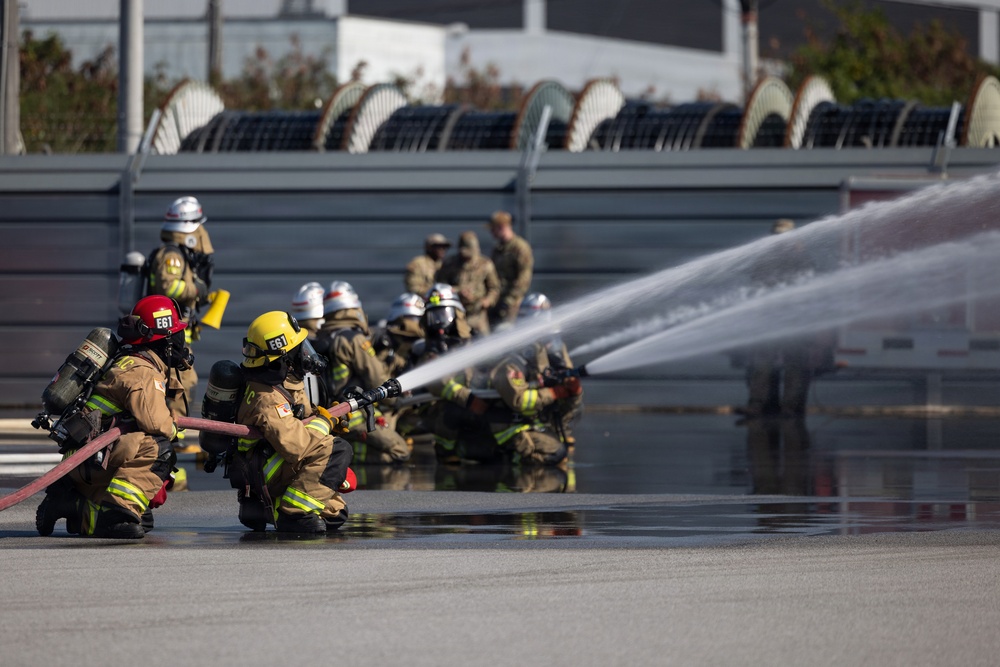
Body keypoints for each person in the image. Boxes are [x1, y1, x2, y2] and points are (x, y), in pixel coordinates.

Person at [36, 295, 191, 539]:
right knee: (159, 450)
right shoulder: (143, 372)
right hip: (91, 458)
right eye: (178, 333)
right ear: (166, 340)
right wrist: (173, 428)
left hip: (88, 457)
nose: (183, 342)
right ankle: (113, 515)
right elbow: (157, 424)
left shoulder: (128, 361)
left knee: (140, 520)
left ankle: (73, 505)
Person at [233, 311, 353, 533]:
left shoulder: (280, 382)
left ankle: (265, 510)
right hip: (263, 471)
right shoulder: (267, 397)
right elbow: (297, 445)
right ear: (282, 356)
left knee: (336, 514)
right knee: (337, 450)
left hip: (270, 462)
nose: (305, 353)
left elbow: (303, 419)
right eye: (298, 349)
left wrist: (328, 417)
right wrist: (325, 423)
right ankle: (293, 514)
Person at [313, 281, 411, 464]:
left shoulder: (322, 337)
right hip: (353, 412)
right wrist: (396, 400)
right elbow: (376, 378)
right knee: (400, 449)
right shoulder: (353, 339)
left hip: (328, 415)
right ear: (352, 308)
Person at [146, 196, 215, 450]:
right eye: (198, 227)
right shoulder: (172, 256)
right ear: (187, 228)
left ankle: (171, 436)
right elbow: (168, 285)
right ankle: (170, 436)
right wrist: (195, 289)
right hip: (163, 334)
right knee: (182, 380)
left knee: (178, 381)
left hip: (171, 334)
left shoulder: (181, 255)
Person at [738, 219, 826, 418]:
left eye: (783, 236)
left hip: (795, 322)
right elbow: (755, 287)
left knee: (795, 365)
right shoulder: (764, 259)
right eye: (776, 236)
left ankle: (790, 408)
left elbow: (811, 292)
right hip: (768, 321)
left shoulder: (802, 259)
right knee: (762, 364)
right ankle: (757, 406)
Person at [517, 293, 583, 448]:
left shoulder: (555, 341)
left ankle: (560, 431)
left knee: (575, 397)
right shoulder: (515, 343)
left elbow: (565, 366)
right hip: (524, 395)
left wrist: (569, 383)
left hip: (543, 393)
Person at [435, 231, 500, 336]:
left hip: (478, 315)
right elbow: (441, 287)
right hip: (455, 314)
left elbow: (494, 288)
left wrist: (487, 301)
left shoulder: (485, 264)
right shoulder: (450, 264)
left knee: (484, 344)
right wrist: (458, 291)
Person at [487, 210, 534, 329]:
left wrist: (510, 300)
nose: (491, 233)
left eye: (493, 229)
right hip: (496, 303)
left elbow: (524, 277)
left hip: (512, 305)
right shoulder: (497, 250)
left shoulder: (520, 247)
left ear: (502, 227)